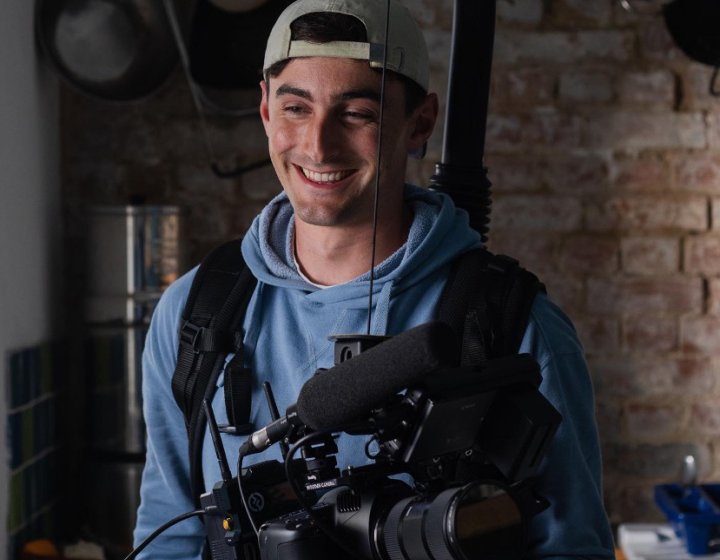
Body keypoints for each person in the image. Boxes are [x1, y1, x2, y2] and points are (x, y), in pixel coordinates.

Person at [133, 0, 616, 558]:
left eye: (357, 113)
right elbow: (167, 537)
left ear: (421, 124)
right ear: (265, 110)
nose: (318, 145)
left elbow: (571, 548)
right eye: (296, 108)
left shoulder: (513, 328)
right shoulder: (196, 314)